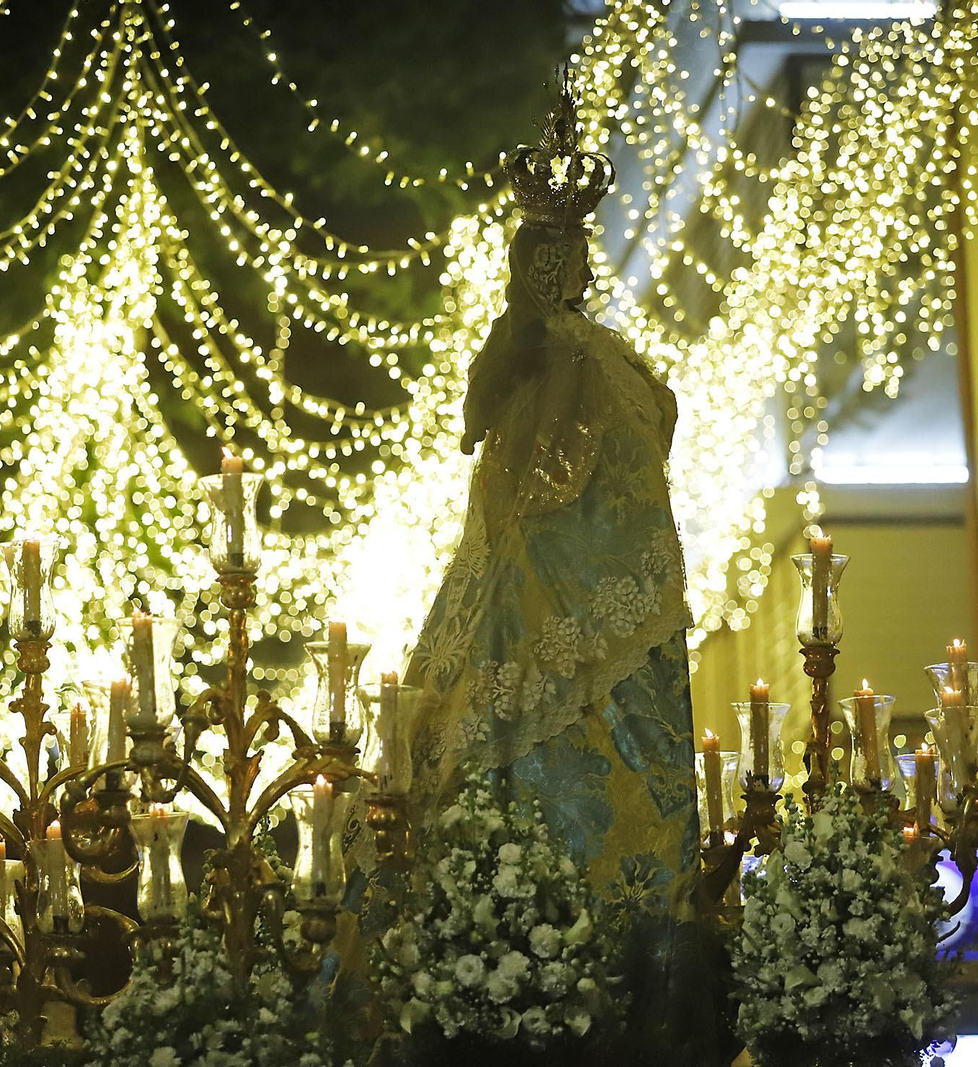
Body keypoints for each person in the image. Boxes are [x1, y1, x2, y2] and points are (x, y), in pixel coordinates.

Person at [402, 79, 722, 1063]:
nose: (577, 266)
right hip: (533, 605)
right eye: (564, 254)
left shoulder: (602, 360)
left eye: (577, 252)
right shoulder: (550, 357)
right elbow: (518, 473)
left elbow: (633, 466)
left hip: (605, 609)